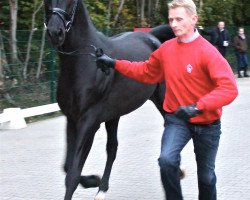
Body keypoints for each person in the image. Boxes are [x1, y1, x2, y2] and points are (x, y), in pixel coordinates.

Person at [96, 0, 238, 199]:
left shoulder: (208, 52)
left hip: (207, 124)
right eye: (171, 19)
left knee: (206, 178)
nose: (173, 24)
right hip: (177, 119)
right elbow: (146, 71)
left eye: (179, 19)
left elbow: (229, 89)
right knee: (166, 160)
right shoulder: (167, 49)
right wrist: (114, 63)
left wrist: (199, 106)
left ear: (193, 19)